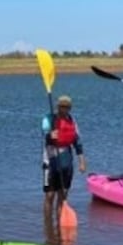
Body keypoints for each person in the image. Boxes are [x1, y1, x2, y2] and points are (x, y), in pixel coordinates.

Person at [42, 95, 86, 225]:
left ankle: (59, 223)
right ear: (57, 106)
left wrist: (82, 162)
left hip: (66, 162)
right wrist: (50, 135)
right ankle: (48, 224)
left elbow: (78, 144)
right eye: (62, 106)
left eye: (67, 107)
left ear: (70, 108)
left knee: (63, 194)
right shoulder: (49, 119)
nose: (64, 109)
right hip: (50, 163)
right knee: (50, 195)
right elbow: (44, 135)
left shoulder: (72, 121)